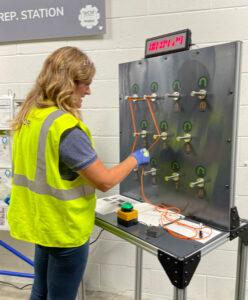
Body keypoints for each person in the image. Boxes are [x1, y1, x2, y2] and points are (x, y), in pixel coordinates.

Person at [7, 46, 149, 300]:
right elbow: (105, 181)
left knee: (40, 291)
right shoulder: (65, 128)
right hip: (65, 231)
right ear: (68, 82)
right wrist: (134, 159)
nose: (89, 90)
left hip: (42, 224)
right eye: (85, 83)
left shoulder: (29, 114)